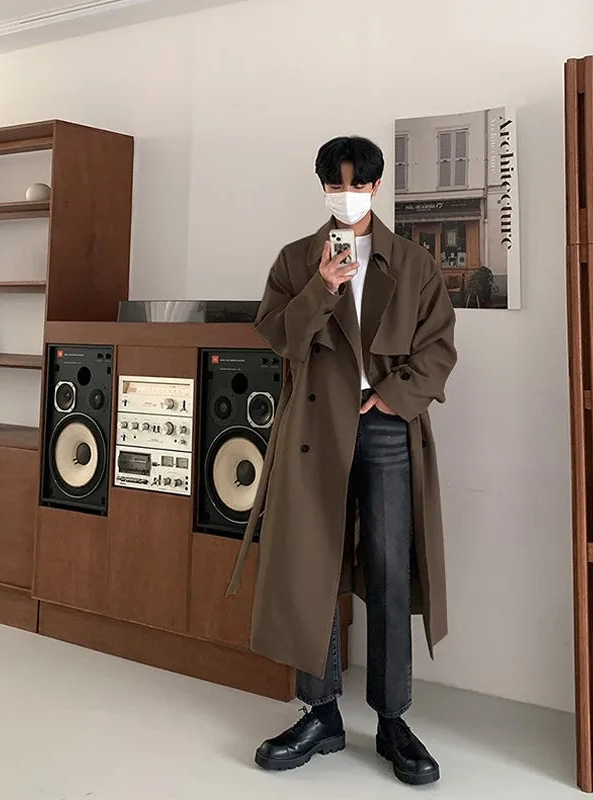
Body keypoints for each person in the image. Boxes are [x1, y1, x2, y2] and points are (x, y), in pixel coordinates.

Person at [225, 135, 457, 786]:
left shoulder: (412, 262)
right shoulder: (297, 260)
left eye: (356, 183)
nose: (346, 194)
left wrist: (392, 397)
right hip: (313, 428)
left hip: (384, 426)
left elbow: (438, 348)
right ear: (323, 187)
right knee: (311, 566)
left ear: (376, 186)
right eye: (334, 184)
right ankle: (319, 712)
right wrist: (322, 287)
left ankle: (392, 719)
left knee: (389, 569)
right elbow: (278, 337)